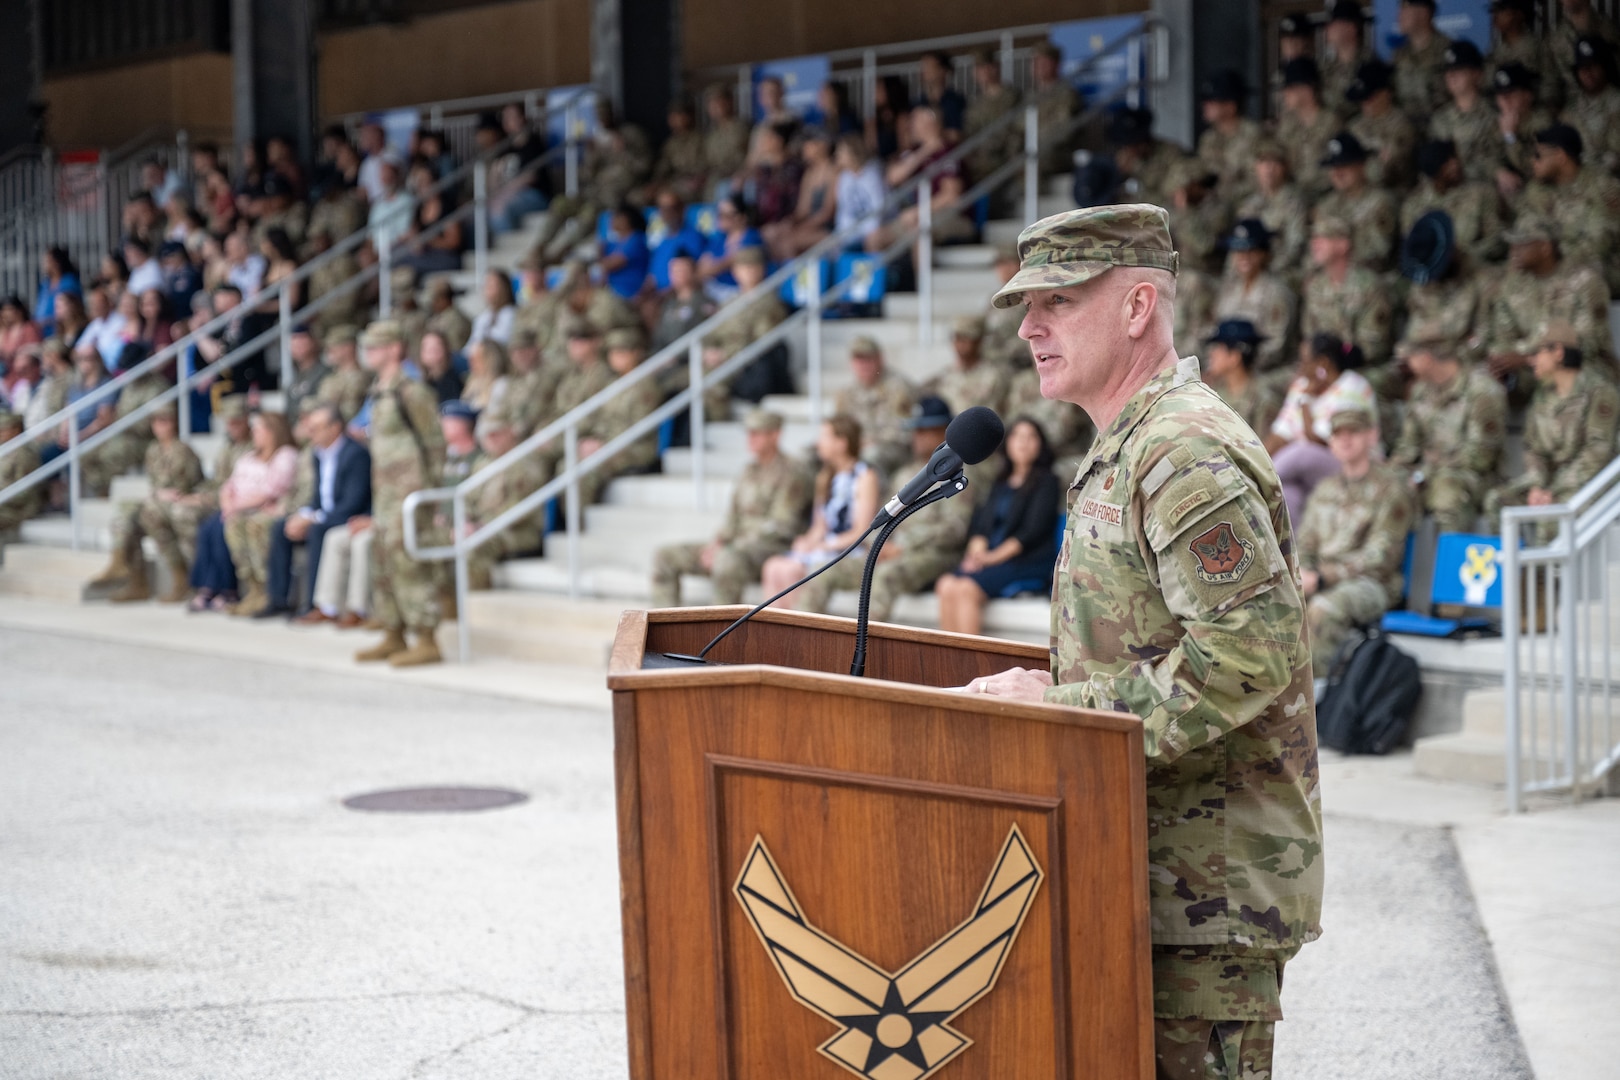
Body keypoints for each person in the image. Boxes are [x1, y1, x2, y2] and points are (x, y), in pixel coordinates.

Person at [967, 206, 1320, 1080]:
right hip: (1149, 870)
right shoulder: (1130, 442)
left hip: (1205, 895)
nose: (1029, 326)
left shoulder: (1182, 453)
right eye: (1026, 305)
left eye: (1058, 300)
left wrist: (1061, 711)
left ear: (1135, 308)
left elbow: (1245, 659)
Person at [794, 395, 978, 621]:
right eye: (915, 430)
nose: (917, 437)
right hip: (892, 551)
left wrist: (901, 546)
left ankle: (865, 651)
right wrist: (880, 544)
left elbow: (953, 530)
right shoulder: (905, 473)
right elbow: (888, 512)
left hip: (934, 554)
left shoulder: (960, 476)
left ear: (944, 431)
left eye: (925, 430)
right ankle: (806, 648)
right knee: (822, 571)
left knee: (884, 577)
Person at [353, 320, 448, 667]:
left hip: (411, 492)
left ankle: (426, 636)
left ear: (395, 348)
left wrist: (432, 497)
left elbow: (435, 444)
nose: (369, 353)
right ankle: (393, 631)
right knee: (383, 561)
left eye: (376, 347)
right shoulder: (380, 390)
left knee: (409, 562)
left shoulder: (411, 390)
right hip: (386, 492)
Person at [650, 407, 812, 608]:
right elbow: (732, 517)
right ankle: (667, 631)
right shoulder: (748, 470)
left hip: (770, 548)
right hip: (734, 546)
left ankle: (720, 633)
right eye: (749, 433)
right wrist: (716, 543)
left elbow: (781, 526)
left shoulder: (792, 472)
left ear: (775, 434)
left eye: (757, 433)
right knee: (666, 556)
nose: (750, 438)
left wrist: (729, 546)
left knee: (727, 561)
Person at [1296, 407, 1415, 670]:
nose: (1345, 439)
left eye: (1354, 432)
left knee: (1322, 611)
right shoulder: (1325, 490)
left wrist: (1325, 577)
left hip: (1371, 584)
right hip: (1320, 579)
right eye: (1338, 434)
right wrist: (1303, 572)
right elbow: (1305, 543)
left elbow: (1380, 558)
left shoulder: (1391, 489)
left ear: (1371, 436)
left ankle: (1319, 701)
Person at [935, 415, 1062, 635]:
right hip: (992, 560)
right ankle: (951, 662)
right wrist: (975, 556)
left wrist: (989, 559)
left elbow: (1031, 532)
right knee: (945, 584)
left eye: (1031, 437)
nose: (1023, 442)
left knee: (966, 589)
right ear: (1008, 444)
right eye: (1017, 436)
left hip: (1025, 560)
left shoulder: (1047, 482)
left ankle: (969, 666)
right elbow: (982, 526)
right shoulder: (1000, 483)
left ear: (1040, 445)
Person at [1485, 321, 1620, 529]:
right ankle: (1509, 561)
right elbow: (1533, 448)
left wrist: (1553, 491)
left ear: (1557, 352)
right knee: (1497, 501)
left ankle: (1540, 562)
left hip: (1589, 486)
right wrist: (1538, 486)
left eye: (1537, 353)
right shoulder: (1542, 395)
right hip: (1551, 484)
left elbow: (1597, 453)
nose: (1531, 361)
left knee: (1551, 517)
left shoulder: (1601, 392)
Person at [257, 404, 373, 619]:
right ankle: (278, 600)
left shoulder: (355, 454)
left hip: (349, 516)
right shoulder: (319, 454)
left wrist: (313, 520)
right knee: (281, 526)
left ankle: (314, 605)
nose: (311, 433)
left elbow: (353, 503)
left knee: (318, 531)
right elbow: (319, 498)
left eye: (317, 428)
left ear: (335, 427)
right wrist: (304, 515)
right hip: (326, 515)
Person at [759, 414, 879, 609]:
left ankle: (797, 633)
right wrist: (807, 542)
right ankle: (776, 633)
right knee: (773, 566)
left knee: (792, 571)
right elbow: (819, 527)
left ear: (842, 443)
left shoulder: (865, 476)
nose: (819, 443)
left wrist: (824, 545)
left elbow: (861, 531)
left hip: (850, 551)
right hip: (826, 546)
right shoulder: (824, 477)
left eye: (825, 437)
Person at [1391, 334, 1508, 532]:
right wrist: (1389, 473)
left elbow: (1480, 457)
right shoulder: (1420, 392)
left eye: (1409, 358)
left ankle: (1447, 561)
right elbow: (1407, 448)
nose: (1406, 365)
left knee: (1447, 492)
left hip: (1475, 478)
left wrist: (1426, 472)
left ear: (1425, 358)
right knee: (1385, 489)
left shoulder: (1481, 390)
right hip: (1430, 473)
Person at [90, 407, 205, 603]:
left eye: (165, 421)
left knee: (150, 515)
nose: (160, 427)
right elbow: (155, 486)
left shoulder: (183, 450)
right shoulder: (153, 450)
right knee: (125, 516)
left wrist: (161, 495)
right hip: (159, 500)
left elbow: (184, 487)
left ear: (174, 423)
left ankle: (180, 578)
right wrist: (157, 494)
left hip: (179, 501)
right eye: (156, 422)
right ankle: (125, 569)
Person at [1266, 333, 1378, 528]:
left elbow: (1320, 442)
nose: (1300, 367)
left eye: (1304, 361)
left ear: (1323, 363)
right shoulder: (1301, 386)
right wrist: (1257, 457)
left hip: (1351, 464)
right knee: (1287, 493)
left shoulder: (1353, 386)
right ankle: (1296, 555)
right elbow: (1280, 434)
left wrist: (1307, 402)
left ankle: (1260, 481)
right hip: (1308, 470)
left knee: (1301, 453)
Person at [1520, 123, 1620, 293]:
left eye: (1538, 155)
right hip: (1551, 266)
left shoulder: (1603, 187)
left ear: (1560, 156)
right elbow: (1526, 233)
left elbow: (1599, 243)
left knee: (1584, 272)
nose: (1533, 161)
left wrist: (1551, 255)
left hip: (1599, 268)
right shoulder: (1536, 190)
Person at [220, 411, 300, 616]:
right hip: (243, 510)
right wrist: (229, 505)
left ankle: (266, 589)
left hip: (269, 511)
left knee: (255, 524)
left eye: (258, 429)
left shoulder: (286, 455)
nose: (254, 433)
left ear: (272, 432)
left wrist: (236, 506)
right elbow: (228, 485)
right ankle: (252, 588)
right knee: (233, 525)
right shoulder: (248, 456)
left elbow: (271, 490)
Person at [463, 412, 546, 590]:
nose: (491, 439)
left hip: (519, 532)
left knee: (475, 546)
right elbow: (467, 499)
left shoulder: (526, 462)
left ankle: (477, 602)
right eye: (486, 434)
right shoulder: (483, 463)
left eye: (496, 433)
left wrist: (483, 526)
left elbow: (521, 509)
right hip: (484, 527)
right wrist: (466, 522)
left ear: (511, 432)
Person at [1301, 216, 1394, 368]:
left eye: (1323, 238)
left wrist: (1333, 363)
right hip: (1323, 367)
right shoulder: (1315, 287)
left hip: (1363, 367)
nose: (1315, 244)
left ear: (1343, 244)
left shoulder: (1369, 286)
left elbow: (1372, 346)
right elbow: (1310, 337)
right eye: (1314, 238)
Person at [1399, 141, 1506, 273]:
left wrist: (1464, 256)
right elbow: (1411, 254)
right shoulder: (1412, 207)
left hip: (1474, 272)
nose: (1455, 164)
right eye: (1446, 163)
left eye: (1454, 158)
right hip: (1432, 278)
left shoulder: (1480, 194)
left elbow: (1497, 241)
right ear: (1434, 173)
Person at [1212, 219, 1296, 379]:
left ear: (1264, 254)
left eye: (1251, 250)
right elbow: (1218, 331)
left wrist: (1241, 366)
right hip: (1230, 370)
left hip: (1265, 372)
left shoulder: (1277, 292)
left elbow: (1276, 346)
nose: (1244, 256)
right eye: (1238, 251)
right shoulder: (1229, 289)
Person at [1313, 132, 1399, 271]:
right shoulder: (1326, 205)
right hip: (1330, 278)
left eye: (1344, 165)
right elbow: (1316, 249)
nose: (1337, 172)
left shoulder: (1380, 201)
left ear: (1361, 165)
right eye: (1333, 167)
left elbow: (1379, 254)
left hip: (1368, 277)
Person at [832, 335, 914, 480]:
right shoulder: (845, 393)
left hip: (893, 449)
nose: (863, 364)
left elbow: (904, 432)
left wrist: (865, 442)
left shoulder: (899, 388)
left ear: (879, 359)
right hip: (857, 447)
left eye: (868, 359)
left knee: (870, 456)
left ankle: (869, 501)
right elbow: (839, 428)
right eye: (858, 359)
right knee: (815, 456)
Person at [1432, 41, 1505, 186]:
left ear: (1476, 74)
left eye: (1458, 70)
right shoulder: (1439, 118)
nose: (1451, 76)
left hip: (1487, 187)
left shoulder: (1495, 113)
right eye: (1448, 71)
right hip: (1453, 189)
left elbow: (1501, 158)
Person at [762, 129, 838, 262]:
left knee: (788, 243)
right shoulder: (809, 173)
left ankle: (795, 282)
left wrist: (801, 228)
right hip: (810, 224)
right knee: (771, 234)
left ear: (822, 145)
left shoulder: (834, 171)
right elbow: (803, 210)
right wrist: (789, 222)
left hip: (828, 228)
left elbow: (827, 213)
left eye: (808, 144)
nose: (804, 148)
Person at [1204, 320, 1283, 438]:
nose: (1212, 354)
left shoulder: (1264, 399)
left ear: (1234, 357)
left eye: (1219, 348)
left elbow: (1264, 450)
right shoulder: (1212, 392)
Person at [1196, 70, 1263, 209]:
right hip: (1214, 205)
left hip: (1247, 204)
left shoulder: (1253, 135)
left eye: (1212, 101)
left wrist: (1221, 194)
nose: (1205, 106)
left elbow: (1257, 181)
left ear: (1230, 106)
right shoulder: (1209, 139)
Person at [1276, 58, 1339, 198]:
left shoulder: (1331, 121)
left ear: (1307, 89)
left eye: (1290, 89)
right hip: (1295, 194)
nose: (1285, 95)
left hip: (1326, 194)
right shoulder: (1287, 124)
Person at [1392, 0, 1452, 118]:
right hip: (1406, 129)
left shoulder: (1447, 51)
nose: (1399, 16)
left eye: (1405, 10)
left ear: (1423, 13)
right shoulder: (1399, 54)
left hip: (1439, 128)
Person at [0, 411, 42, 537]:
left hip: (18, 509)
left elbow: (24, 492)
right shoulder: (4, 450)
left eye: (3, 429)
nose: (0, 432)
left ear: (16, 429)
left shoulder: (24, 454)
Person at [599, 205, 652, 300]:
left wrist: (601, 255)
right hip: (612, 291)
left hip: (628, 294)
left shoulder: (636, 239)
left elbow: (611, 264)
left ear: (626, 219)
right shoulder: (615, 243)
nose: (611, 220)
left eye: (615, 216)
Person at [468, 269, 516, 346]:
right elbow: (471, 346)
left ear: (504, 289)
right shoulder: (483, 317)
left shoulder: (512, 314)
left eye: (491, 285)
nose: (487, 290)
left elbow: (500, 342)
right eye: (486, 285)